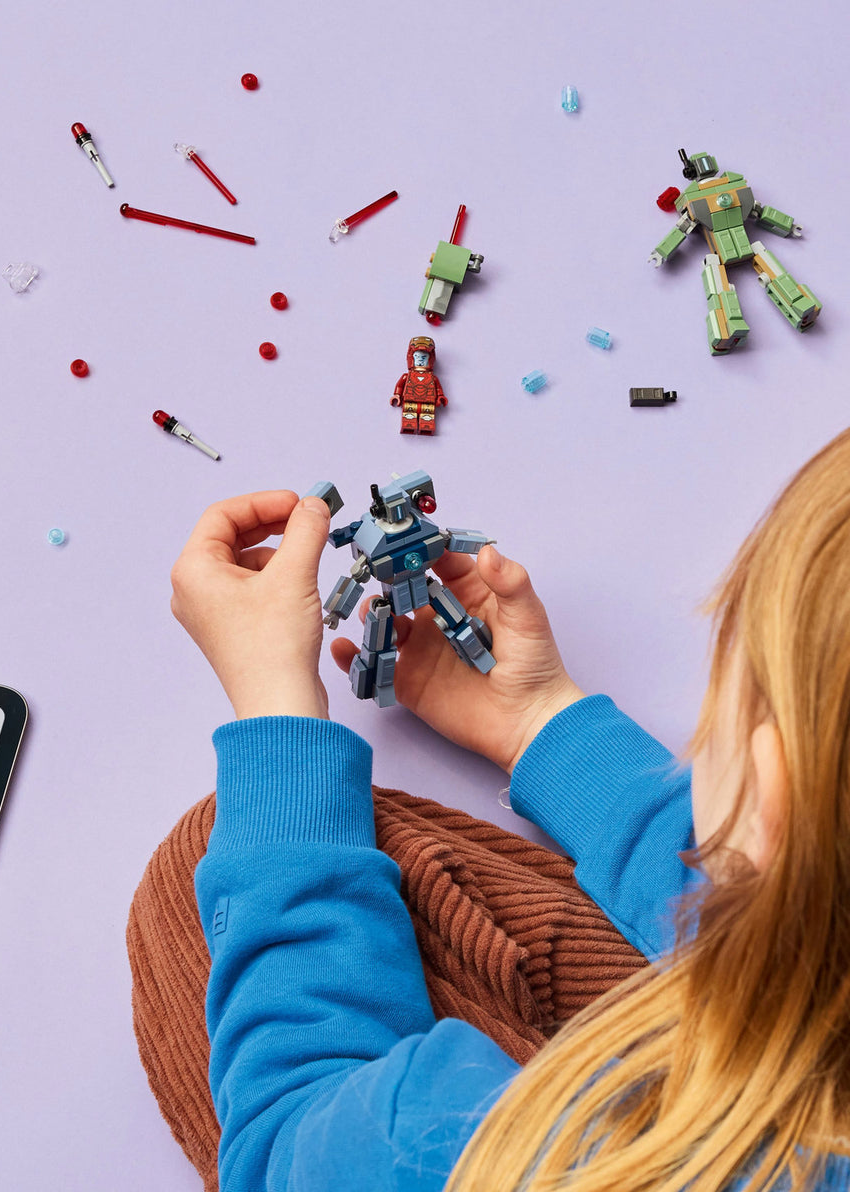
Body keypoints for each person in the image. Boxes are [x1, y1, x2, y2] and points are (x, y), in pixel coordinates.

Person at [165, 429, 850, 1192]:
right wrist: (540, 726)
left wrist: (274, 707)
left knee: (190, 873)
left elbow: (296, 1138)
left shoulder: (522, 1160)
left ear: (774, 795)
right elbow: (798, 887)